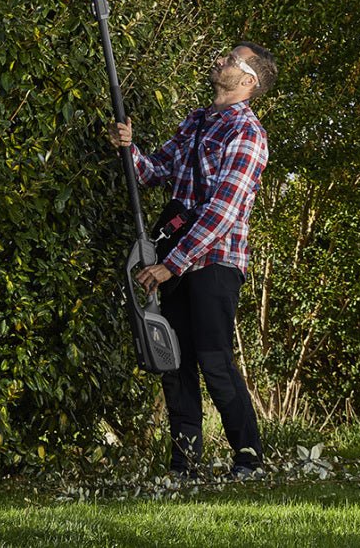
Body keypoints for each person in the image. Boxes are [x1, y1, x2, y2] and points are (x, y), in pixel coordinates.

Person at [109, 42, 277, 480]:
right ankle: (184, 464)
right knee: (175, 360)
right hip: (178, 258)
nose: (220, 60)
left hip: (215, 260)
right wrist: (129, 149)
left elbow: (223, 213)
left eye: (230, 60)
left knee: (213, 357)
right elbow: (154, 170)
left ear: (247, 81)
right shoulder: (197, 121)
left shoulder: (248, 134)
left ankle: (249, 457)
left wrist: (170, 265)